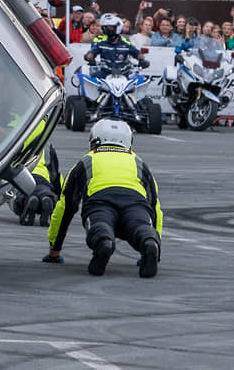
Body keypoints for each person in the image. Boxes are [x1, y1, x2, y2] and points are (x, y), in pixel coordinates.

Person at [44, 119, 163, 278]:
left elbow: (65, 207)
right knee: (140, 226)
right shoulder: (139, 162)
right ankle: (149, 243)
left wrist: (54, 250)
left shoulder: (87, 160)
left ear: (94, 139)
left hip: (101, 201)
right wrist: (156, 243)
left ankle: (104, 242)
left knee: (100, 224)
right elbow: (155, 208)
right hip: (136, 203)